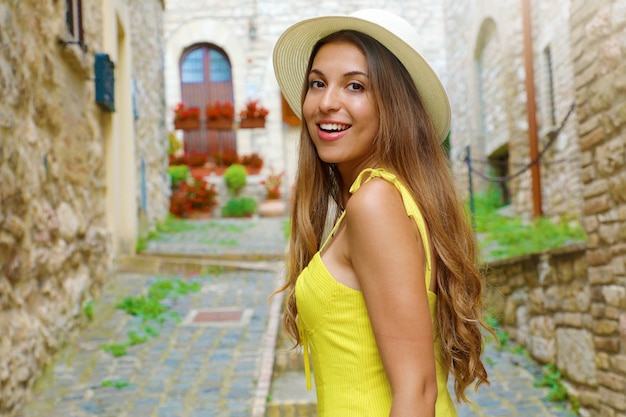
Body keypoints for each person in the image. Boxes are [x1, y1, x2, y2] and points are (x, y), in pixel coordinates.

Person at [272, 9, 491, 416]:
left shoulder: (375, 203)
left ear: (395, 105)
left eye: (355, 86)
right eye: (317, 83)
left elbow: (416, 392)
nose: (326, 102)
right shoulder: (387, 197)